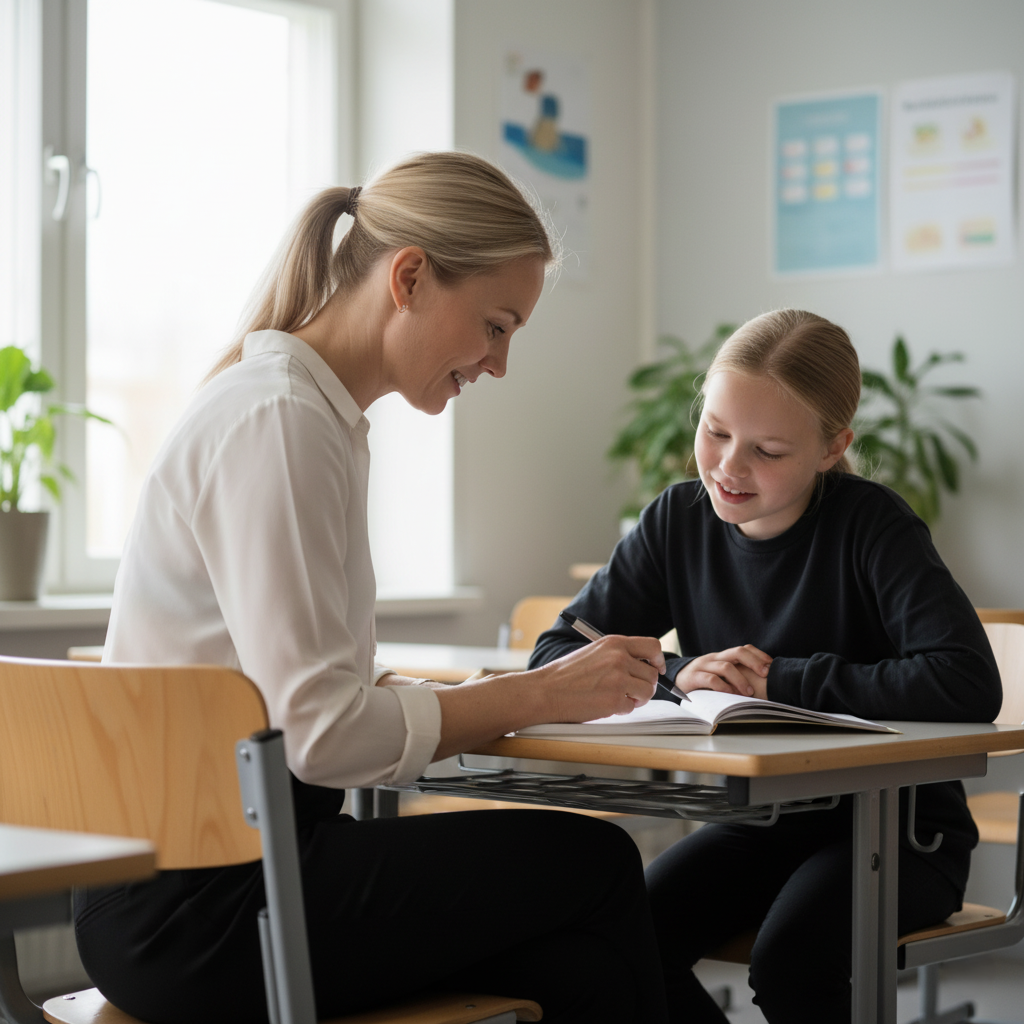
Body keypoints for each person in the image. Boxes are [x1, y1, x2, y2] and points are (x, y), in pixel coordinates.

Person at [75, 153, 671, 1024]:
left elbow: (300, 691)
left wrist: (479, 694)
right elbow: (320, 734)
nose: (499, 363)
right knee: (599, 863)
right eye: (496, 325)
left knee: (573, 965)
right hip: (203, 908)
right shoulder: (281, 421)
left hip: (186, 891)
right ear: (411, 277)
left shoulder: (303, 414)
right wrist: (532, 693)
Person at [530, 309, 1001, 1023]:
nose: (727, 467)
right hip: (760, 822)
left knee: (793, 958)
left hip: (899, 837)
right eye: (716, 432)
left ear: (831, 447)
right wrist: (679, 675)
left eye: (769, 450)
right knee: (618, 942)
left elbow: (966, 681)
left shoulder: (874, 527)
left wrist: (783, 679)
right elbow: (557, 653)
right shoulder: (677, 521)